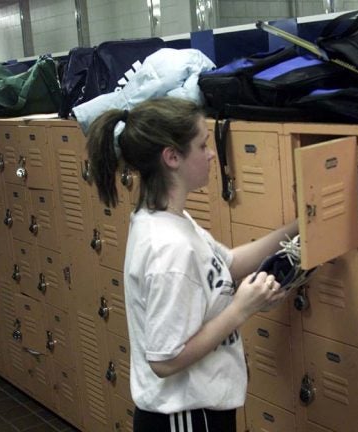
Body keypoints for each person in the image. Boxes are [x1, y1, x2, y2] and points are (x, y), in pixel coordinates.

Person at [86, 97, 298, 432]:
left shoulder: (172, 221)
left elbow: (226, 264)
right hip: (182, 418)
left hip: (200, 412)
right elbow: (164, 360)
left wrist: (299, 228)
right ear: (172, 157)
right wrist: (241, 309)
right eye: (202, 145)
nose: (212, 153)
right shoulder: (168, 248)